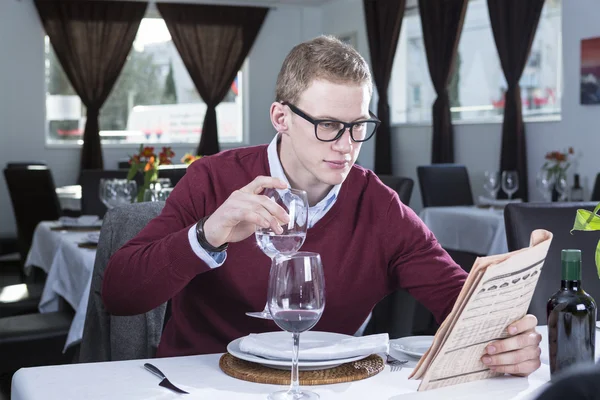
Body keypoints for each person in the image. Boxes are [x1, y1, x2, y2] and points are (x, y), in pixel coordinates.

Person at [102, 35, 541, 376]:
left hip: (325, 387)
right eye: (329, 125)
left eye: (358, 127)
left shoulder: (379, 207)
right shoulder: (212, 179)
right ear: (282, 119)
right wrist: (207, 235)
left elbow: (460, 303)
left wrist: (509, 338)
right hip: (197, 385)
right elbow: (119, 295)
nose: (347, 146)